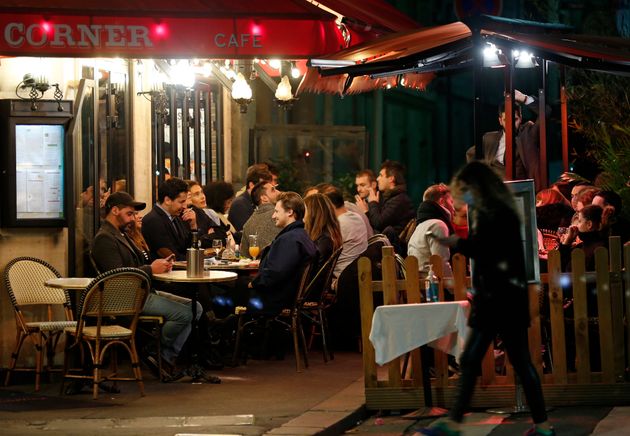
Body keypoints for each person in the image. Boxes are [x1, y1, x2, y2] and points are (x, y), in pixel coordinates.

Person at [417, 161, 553, 436]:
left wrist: (457, 244)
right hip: (505, 297)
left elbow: (488, 250)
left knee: (479, 359)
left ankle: (455, 424)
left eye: (464, 191)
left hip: (497, 298)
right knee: (515, 361)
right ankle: (543, 426)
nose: (461, 198)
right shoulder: (499, 210)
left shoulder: (493, 213)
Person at [91, 191, 196, 379]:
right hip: (127, 298)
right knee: (186, 313)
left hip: (142, 291)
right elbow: (117, 276)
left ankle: (162, 356)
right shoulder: (105, 238)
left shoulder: (121, 234)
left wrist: (158, 267)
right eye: (129, 213)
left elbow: (134, 266)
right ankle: (158, 353)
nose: (133, 218)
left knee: (196, 307)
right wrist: (151, 269)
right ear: (114, 210)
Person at [246, 192, 317, 315]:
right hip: (288, 296)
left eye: (277, 212)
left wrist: (254, 283)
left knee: (227, 294)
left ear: (290, 212)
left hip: (275, 300)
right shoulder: (301, 235)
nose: (273, 216)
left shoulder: (290, 239)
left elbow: (275, 274)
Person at [466, 90, 550, 192]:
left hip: (523, 192)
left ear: (521, 118)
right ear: (500, 121)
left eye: (515, 119)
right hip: (496, 194)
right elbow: (471, 155)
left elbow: (546, 112)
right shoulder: (489, 138)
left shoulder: (528, 132)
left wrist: (524, 98)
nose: (510, 124)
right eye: (506, 120)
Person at [356, 160, 415, 252]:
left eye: (381, 175)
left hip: (392, 253)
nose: (378, 178)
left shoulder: (399, 200)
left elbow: (378, 223)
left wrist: (372, 204)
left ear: (391, 179)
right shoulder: (392, 198)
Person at [142, 177, 198, 261]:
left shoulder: (176, 216)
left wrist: (193, 226)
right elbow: (172, 257)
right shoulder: (153, 221)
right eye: (181, 202)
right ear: (167, 200)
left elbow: (189, 249)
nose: (184, 206)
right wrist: (198, 259)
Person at [407, 183, 455, 279]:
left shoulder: (419, 227)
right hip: (436, 289)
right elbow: (441, 264)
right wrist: (455, 291)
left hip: (422, 287)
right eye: (451, 202)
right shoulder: (437, 225)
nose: (453, 208)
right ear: (442, 201)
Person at [324, 187, 368, 282]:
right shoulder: (357, 217)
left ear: (331, 206)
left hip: (341, 278)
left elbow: (325, 250)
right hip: (359, 272)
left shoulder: (339, 224)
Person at [228, 163, 273, 238]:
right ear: (251, 185)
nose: (265, 191)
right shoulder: (240, 204)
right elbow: (249, 233)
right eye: (262, 187)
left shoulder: (257, 201)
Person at [303, 193, 343, 273]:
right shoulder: (325, 236)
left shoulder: (324, 241)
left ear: (313, 213)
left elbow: (309, 274)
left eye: (304, 210)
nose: (301, 213)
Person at [241, 180, 281, 255]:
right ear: (264, 198)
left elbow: (244, 256)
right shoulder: (281, 215)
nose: (279, 192)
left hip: (258, 266)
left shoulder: (247, 225)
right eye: (273, 190)